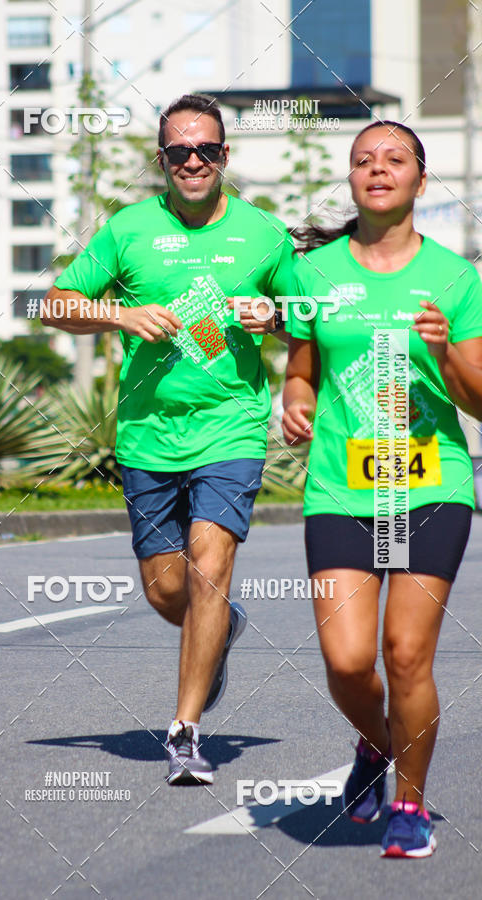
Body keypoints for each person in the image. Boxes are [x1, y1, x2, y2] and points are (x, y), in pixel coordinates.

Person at [42, 94, 295, 785]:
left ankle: (185, 731)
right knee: (166, 592)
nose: (192, 161)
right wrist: (121, 315)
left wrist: (272, 314)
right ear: (161, 161)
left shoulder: (263, 235)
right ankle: (220, 629)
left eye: (205, 150)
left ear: (224, 157)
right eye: (179, 151)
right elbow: (56, 305)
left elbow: (310, 317)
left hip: (230, 427)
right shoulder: (127, 230)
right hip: (148, 434)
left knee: (210, 562)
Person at [282, 120, 482, 857]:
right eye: (364, 159)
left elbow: (481, 398)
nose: (378, 169)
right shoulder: (315, 274)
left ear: (419, 183)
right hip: (342, 485)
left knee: (405, 655)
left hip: (427, 485)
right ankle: (375, 744)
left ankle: (411, 806)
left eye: (395, 159)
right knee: (346, 662)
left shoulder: (455, 279)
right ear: (353, 180)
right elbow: (301, 366)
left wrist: (444, 356)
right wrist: (296, 398)